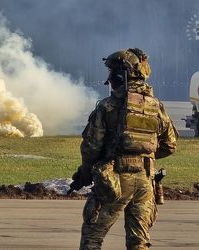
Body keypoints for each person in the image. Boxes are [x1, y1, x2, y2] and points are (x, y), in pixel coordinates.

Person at [69, 48, 178, 250]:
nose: (109, 78)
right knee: (139, 243)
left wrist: (86, 171)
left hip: (115, 180)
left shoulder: (107, 106)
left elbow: (92, 146)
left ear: (121, 74)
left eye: (111, 73)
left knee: (92, 238)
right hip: (145, 182)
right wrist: (145, 155)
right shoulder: (156, 106)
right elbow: (170, 144)